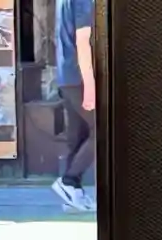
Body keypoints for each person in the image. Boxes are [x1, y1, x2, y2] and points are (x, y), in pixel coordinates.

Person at [53, 0, 95, 214]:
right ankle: (69, 181)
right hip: (79, 77)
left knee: (78, 136)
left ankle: (73, 195)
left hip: (67, 75)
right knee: (103, 130)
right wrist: (90, 85)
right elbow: (83, 40)